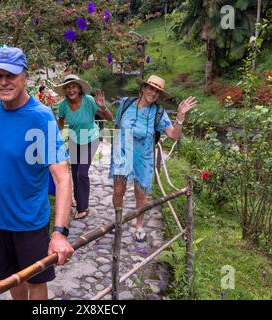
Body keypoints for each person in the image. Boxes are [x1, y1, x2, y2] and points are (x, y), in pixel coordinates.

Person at [0, 47, 74, 300]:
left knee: (35, 281)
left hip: (27, 222)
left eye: (11, 74)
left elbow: (62, 177)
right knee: (10, 280)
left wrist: (59, 233)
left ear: (25, 77)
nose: (4, 81)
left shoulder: (40, 117)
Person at [110, 75, 197, 242]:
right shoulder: (126, 103)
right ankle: (118, 220)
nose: (153, 93)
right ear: (143, 89)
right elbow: (117, 125)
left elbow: (173, 135)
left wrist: (180, 116)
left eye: (157, 91)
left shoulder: (158, 112)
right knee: (118, 191)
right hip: (122, 152)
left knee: (141, 193)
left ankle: (139, 226)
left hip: (144, 156)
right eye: (151, 88)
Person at [54, 74, 113, 220]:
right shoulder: (62, 106)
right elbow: (60, 123)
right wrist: (57, 139)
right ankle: (77, 200)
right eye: (68, 87)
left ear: (79, 88)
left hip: (91, 138)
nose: (71, 90)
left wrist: (103, 107)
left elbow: (110, 118)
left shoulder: (89, 101)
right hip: (74, 140)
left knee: (82, 173)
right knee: (74, 173)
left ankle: (83, 207)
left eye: (73, 86)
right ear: (65, 90)